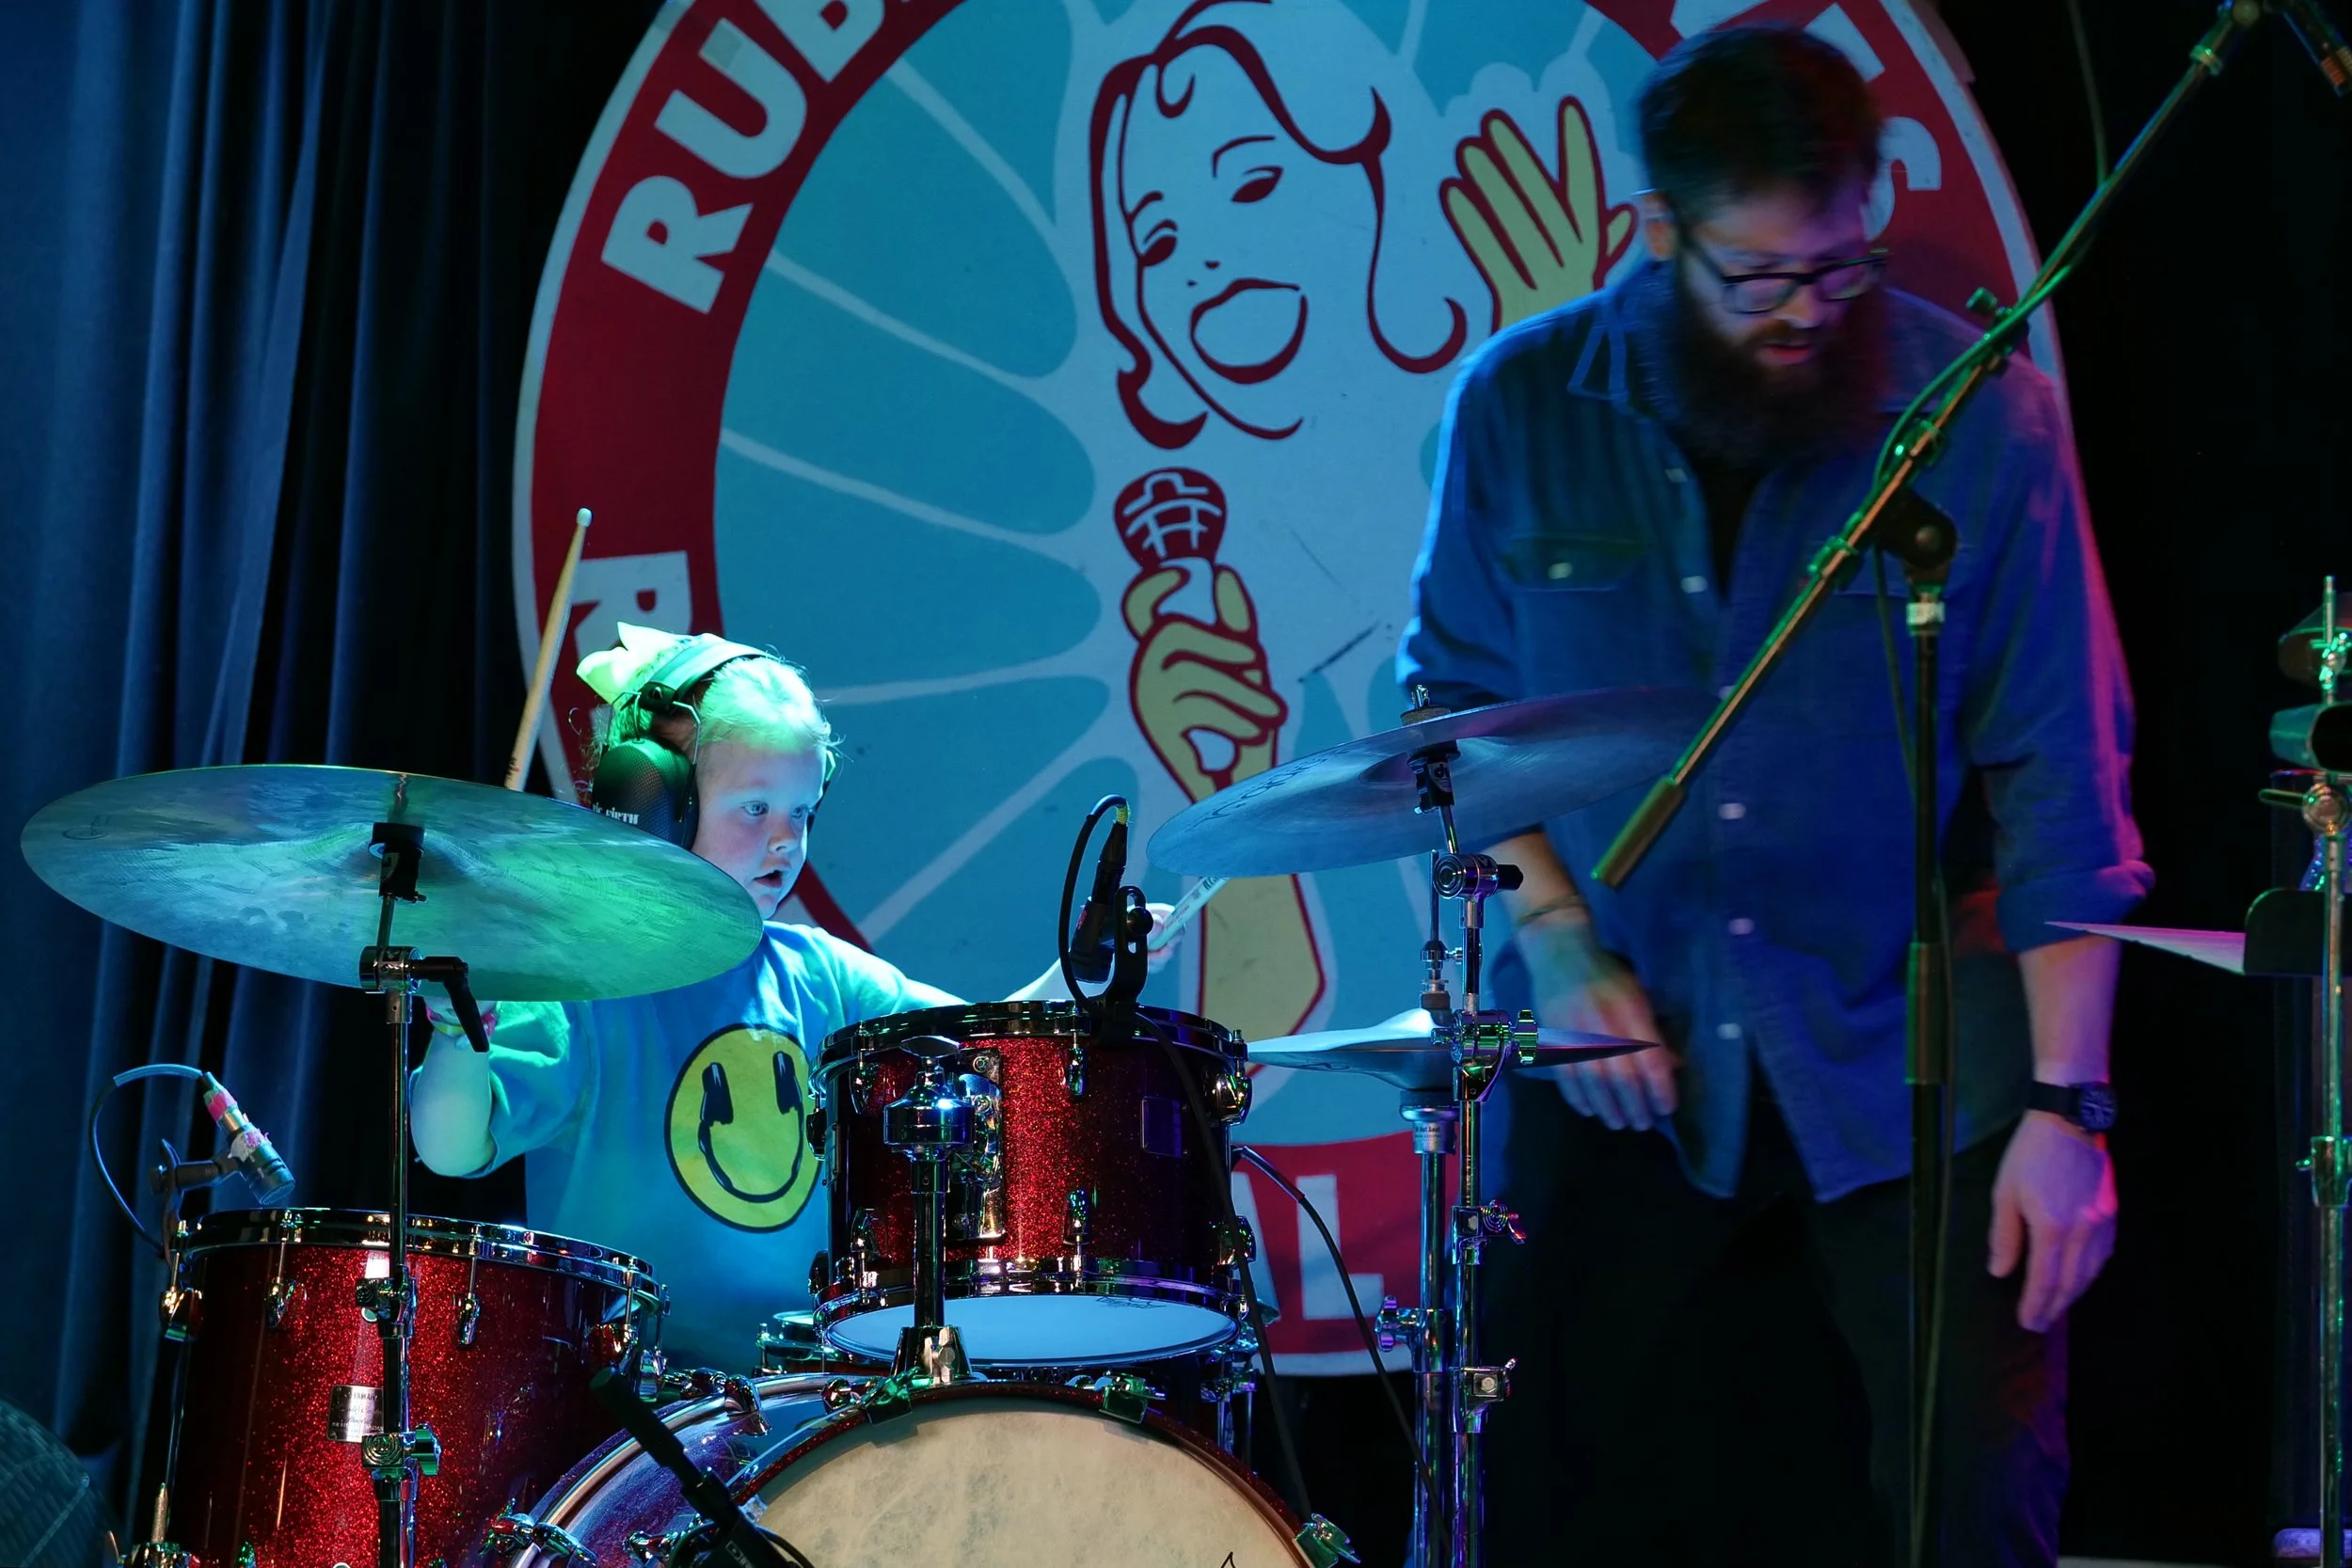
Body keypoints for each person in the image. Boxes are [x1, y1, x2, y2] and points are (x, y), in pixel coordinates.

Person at [1398, 26, 2147, 1567]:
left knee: (1978, 1499)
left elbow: (2062, 772)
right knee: (1539, 1478)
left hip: (1908, 1035)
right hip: (1625, 1039)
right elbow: (1451, 713)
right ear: (1659, 229)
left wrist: (2073, 1106)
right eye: (1760, 279)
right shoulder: (1524, 408)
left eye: (1841, 269)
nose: (1808, 312)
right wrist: (1557, 946)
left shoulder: (1981, 417)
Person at [410, 625, 1137, 1372]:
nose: (786, 840)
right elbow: (450, 1147)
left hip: (806, 1399)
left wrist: (1084, 969)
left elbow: (988, 1045)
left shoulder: (823, 975)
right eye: (755, 809)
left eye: (803, 812)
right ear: (656, 802)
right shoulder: (580, 984)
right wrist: (457, 1029)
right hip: (628, 1410)